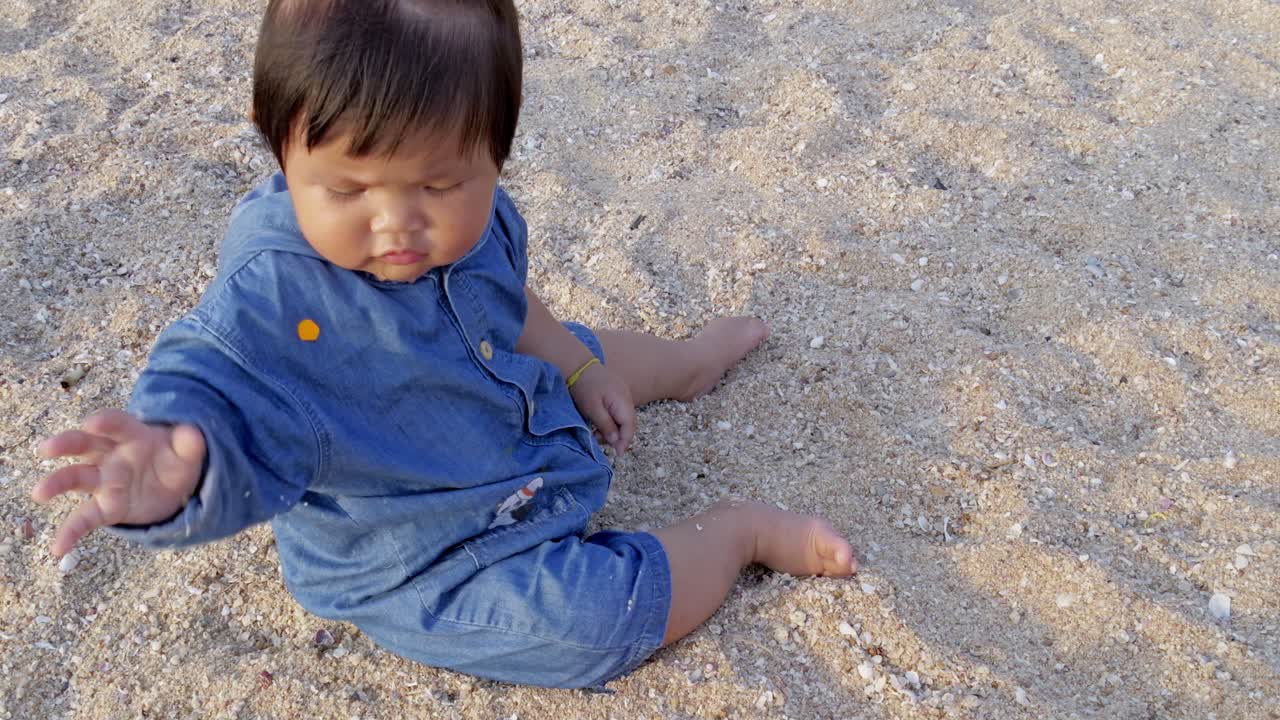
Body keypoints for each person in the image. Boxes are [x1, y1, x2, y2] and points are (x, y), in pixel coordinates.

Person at [31, 0, 856, 688]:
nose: (399, 224)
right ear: (278, 138)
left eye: (440, 183)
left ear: (495, 142)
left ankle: (685, 362)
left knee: (586, 352)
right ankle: (739, 533)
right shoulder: (279, 296)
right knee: (591, 627)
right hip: (429, 549)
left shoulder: (474, 212)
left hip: (504, 393)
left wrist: (575, 364)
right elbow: (210, 374)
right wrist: (179, 465)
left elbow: (507, 301)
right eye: (348, 188)